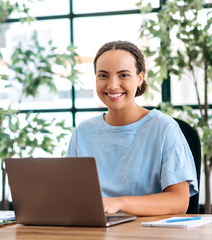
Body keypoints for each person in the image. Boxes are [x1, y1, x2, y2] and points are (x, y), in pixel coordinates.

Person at [66, 40, 198, 216]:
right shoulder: (83, 132)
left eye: (124, 75)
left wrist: (119, 203)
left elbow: (179, 202)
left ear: (140, 78)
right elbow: (69, 196)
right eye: (103, 75)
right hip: (94, 232)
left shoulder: (164, 129)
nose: (112, 85)